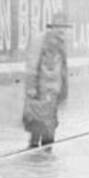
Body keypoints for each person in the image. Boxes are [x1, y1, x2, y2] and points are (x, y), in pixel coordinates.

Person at [23, 12, 71, 148]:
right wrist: (31, 88)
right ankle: (36, 156)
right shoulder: (40, 40)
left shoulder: (61, 43)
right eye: (58, 26)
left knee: (49, 128)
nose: (61, 30)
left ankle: (45, 157)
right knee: (37, 126)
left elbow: (63, 70)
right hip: (41, 90)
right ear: (52, 26)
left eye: (63, 27)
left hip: (53, 92)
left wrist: (64, 92)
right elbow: (32, 65)